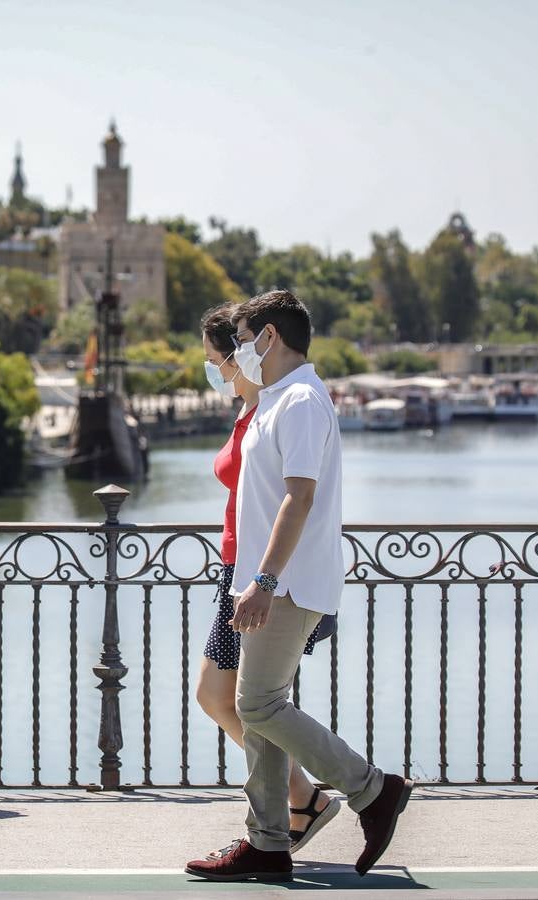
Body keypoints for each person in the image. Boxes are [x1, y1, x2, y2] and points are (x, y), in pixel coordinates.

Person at [186, 292, 412, 883]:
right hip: (258, 581)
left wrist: (263, 580)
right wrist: (248, 579)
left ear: (268, 339)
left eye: (241, 341)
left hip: (286, 584)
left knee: (256, 704)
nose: (236, 354)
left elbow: (301, 496)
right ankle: (268, 842)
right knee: (255, 708)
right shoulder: (275, 402)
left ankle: (373, 789)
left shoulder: (304, 402)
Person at [194, 303, 339, 855]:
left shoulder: (282, 404)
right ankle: (289, 812)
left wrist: (265, 577)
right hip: (242, 566)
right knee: (242, 699)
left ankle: (333, 795)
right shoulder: (257, 408)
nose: (214, 371)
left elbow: (298, 497)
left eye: (217, 360)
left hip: (257, 572)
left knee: (244, 700)